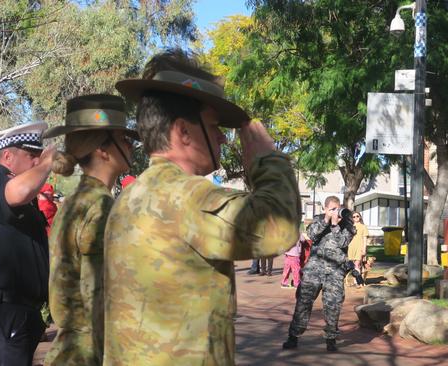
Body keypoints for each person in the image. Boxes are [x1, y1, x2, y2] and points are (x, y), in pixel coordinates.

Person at [104, 49, 301, 365]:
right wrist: (267, 159)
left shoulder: (131, 196)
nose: (222, 138)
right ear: (183, 131)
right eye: (213, 126)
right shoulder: (187, 195)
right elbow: (278, 230)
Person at [42, 94, 139, 366]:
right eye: (124, 139)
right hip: (89, 353)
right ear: (103, 150)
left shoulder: (75, 202)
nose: (132, 146)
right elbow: (98, 299)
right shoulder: (101, 207)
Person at [0, 122, 56, 366]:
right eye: (32, 156)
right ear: (8, 155)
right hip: (4, 308)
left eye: (39, 156)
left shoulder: (13, 190)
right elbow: (21, 190)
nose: (37, 162)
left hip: (16, 310)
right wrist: (48, 162)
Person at [283, 196, 356, 352]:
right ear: (325, 209)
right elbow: (312, 235)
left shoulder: (347, 224)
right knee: (303, 303)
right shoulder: (317, 220)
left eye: (338, 208)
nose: (336, 212)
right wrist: (326, 220)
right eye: (332, 209)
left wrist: (336, 225)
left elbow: (343, 242)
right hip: (313, 271)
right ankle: (293, 337)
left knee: (333, 306)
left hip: (335, 272)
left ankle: (331, 339)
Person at [347, 211, 368, 287]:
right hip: (351, 246)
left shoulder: (363, 226)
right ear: (352, 218)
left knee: (357, 264)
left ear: (360, 217)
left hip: (359, 246)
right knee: (352, 265)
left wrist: (364, 249)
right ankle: (356, 281)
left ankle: (359, 282)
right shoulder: (350, 226)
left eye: (357, 216)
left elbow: (365, 239)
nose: (356, 218)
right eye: (354, 216)